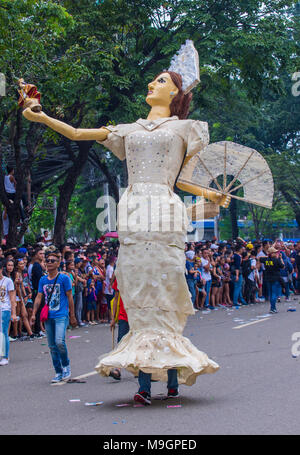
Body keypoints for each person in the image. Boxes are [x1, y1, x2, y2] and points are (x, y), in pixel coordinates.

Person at [23, 57, 229, 404]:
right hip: (133, 215)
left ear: (176, 91)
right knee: (138, 298)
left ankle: (172, 380)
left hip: (164, 215)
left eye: (161, 81)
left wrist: (213, 195)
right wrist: (40, 116)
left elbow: (183, 180)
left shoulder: (186, 129)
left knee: (164, 295)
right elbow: (77, 134)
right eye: (152, 80)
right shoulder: (127, 129)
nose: (151, 84)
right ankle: (146, 385)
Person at [31, 251, 77, 383]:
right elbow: (39, 297)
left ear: (58, 263)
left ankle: (66, 365)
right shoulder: (43, 280)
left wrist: (72, 315)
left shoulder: (64, 278)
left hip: (61, 315)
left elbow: (70, 297)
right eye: (47, 260)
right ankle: (58, 371)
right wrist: (34, 314)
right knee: (51, 346)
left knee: (59, 342)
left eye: (52, 261)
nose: (49, 263)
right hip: (48, 316)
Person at [0, 260, 17, 365]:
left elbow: (12, 298)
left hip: (4, 308)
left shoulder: (8, 281)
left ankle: (5, 356)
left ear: (1, 269)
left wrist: (13, 313)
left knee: (3, 332)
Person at [259, 247, 285, 314]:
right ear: (272, 253)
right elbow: (283, 266)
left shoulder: (266, 260)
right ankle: (273, 308)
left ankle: (272, 308)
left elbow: (259, 258)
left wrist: (267, 255)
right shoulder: (276, 260)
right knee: (274, 294)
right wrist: (281, 258)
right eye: (275, 252)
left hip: (268, 278)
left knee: (270, 294)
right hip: (275, 278)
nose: (276, 253)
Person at [31, 247, 46, 338]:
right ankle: (37, 330)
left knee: (40, 311)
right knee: (38, 311)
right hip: (37, 292)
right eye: (40, 253)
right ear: (36, 255)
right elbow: (41, 278)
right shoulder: (36, 266)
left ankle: (39, 329)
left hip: (40, 291)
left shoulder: (39, 265)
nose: (42, 255)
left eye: (43, 254)